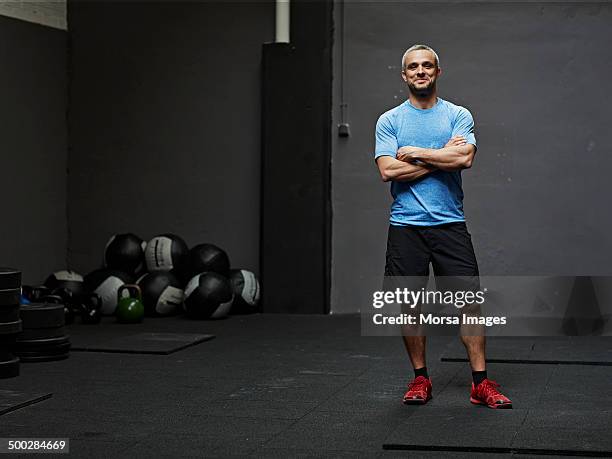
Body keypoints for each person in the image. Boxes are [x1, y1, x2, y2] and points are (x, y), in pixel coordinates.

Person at [374, 44, 512, 409]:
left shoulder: (457, 115)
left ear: (438, 72)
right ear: (404, 75)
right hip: (405, 227)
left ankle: (480, 383)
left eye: (427, 66)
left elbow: (465, 158)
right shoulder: (390, 120)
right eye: (413, 67)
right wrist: (441, 157)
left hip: (450, 224)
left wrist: (415, 152)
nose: (420, 71)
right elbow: (388, 171)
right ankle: (420, 379)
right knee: (410, 305)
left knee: (470, 304)